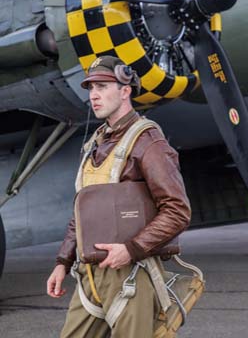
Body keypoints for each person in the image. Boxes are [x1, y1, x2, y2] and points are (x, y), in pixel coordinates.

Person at [47, 55, 191, 338]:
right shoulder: (95, 144)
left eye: (102, 87)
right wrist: (62, 262)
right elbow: (82, 212)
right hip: (91, 275)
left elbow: (177, 211)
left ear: (125, 91)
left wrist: (131, 249)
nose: (93, 96)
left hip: (132, 274)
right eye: (90, 89)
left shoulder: (148, 143)